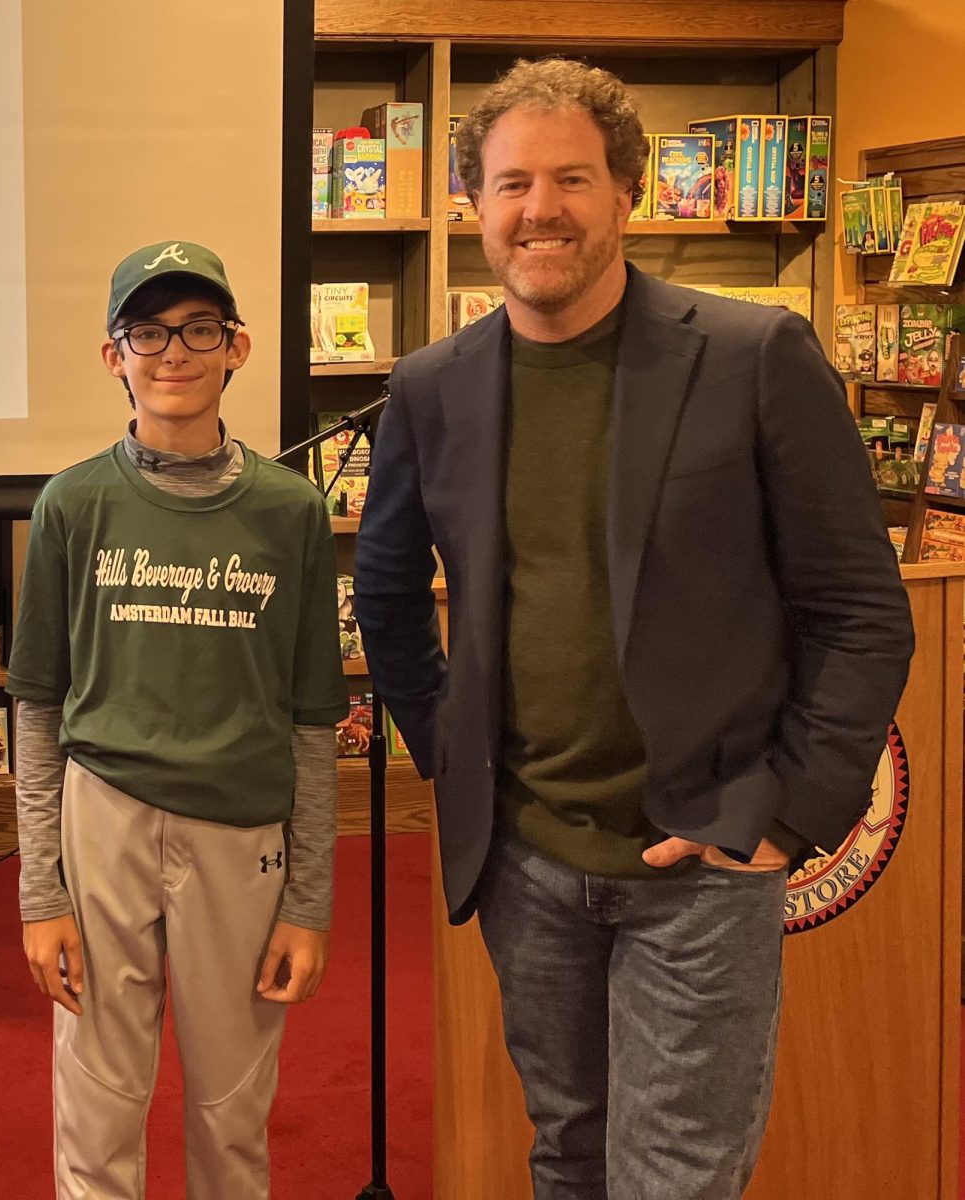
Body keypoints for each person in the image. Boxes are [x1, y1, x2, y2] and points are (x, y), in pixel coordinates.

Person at [353, 59, 914, 1200]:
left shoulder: (756, 357)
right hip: (527, 865)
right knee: (567, 1155)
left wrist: (788, 813)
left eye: (571, 178)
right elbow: (387, 593)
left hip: (703, 864)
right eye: (511, 184)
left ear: (628, 194)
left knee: (673, 1179)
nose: (539, 209)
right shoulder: (431, 386)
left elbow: (861, 612)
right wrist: (457, 763)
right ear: (473, 206)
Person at [8, 240, 348, 1200]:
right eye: (146, 332)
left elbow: (313, 721)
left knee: (230, 1111)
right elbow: (37, 707)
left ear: (237, 346)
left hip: (241, 834)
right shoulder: (74, 503)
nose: (174, 352)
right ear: (113, 356)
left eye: (199, 328)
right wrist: (43, 893)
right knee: (97, 1097)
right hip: (102, 821)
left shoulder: (290, 513)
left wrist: (307, 903)